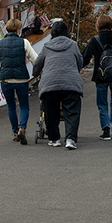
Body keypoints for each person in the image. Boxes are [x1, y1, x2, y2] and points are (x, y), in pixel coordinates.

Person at [32, 19, 84, 149]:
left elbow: (37, 65)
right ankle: (70, 139)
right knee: (72, 111)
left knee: (50, 111)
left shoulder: (46, 47)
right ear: (66, 32)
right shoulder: (73, 45)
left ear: (52, 33)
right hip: (71, 83)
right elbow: (80, 62)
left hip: (50, 84)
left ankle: (54, 139)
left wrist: (35, 73)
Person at [0, 18, 38, 144]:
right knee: (24, 106)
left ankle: (15, 132)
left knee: (11, 107)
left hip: (5, 80)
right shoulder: (24, 42)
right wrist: (39, 72)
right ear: (18, 29)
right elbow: (35, 59)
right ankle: (22, 128)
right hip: (21, 79)